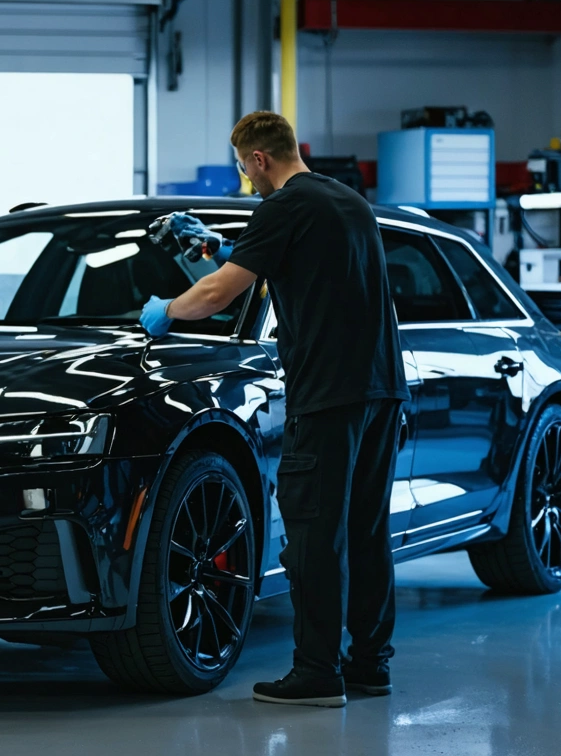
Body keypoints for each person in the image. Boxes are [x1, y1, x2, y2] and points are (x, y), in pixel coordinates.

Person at [140, 111, 409, 708]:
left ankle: (317, 674)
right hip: (381, 390)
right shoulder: (347, 201)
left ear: (259, 158)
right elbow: (302, 263)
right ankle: (370, 666)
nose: (247, 180)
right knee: (366, 533)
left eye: (245, 168)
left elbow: (217, 294)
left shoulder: (283, 206)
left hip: (327, 395)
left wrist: (167, 310)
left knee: (313, 535)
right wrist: (221, 246)